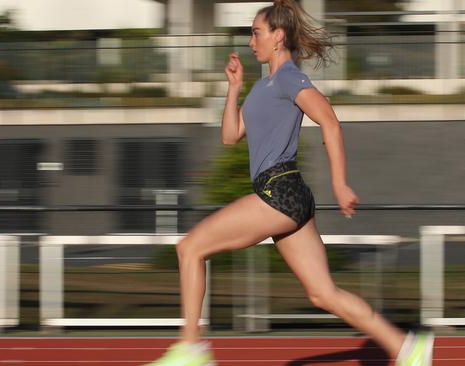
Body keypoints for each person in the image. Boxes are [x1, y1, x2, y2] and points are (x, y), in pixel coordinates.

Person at [144, 1, 434, 366]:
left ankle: (191, 348)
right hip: (288, 195)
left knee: (190, 248)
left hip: (277, 190)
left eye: (256, 32)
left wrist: (340, 184)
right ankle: (408, 348)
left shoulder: (288, 78)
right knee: (323, 293)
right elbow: (231, 137)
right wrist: (233, 88)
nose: (251, 42)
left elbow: (329, 121)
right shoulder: (264, 86)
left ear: (278, 36)